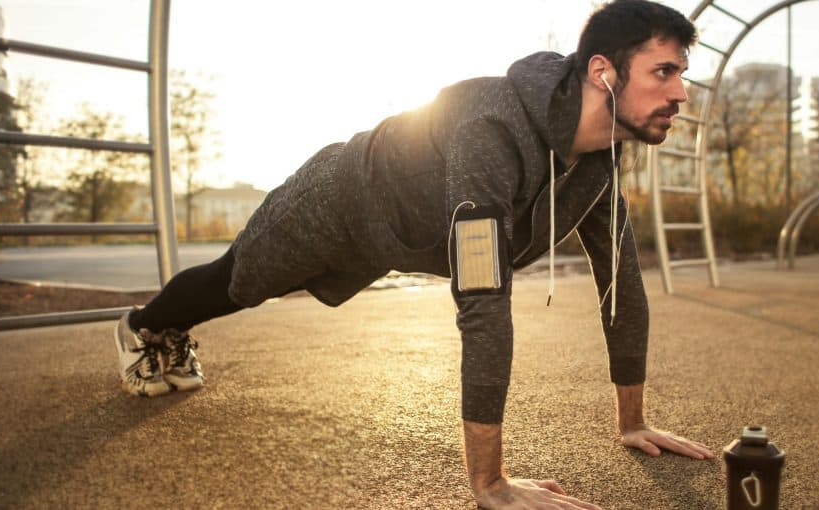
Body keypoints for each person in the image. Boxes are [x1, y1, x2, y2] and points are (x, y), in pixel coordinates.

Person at [113, 1, 715, 507]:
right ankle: (144, 327)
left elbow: (622, 284)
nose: (680, 93)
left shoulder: (602, 164)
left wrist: (632, 421)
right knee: (236, 284)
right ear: (604, 71)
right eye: (663, 72)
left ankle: (161, 329)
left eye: (681, 74)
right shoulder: (492, 129)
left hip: (400, 237)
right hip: (335, 201)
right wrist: (490, 483)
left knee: (241, 284)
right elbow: (482, 298)